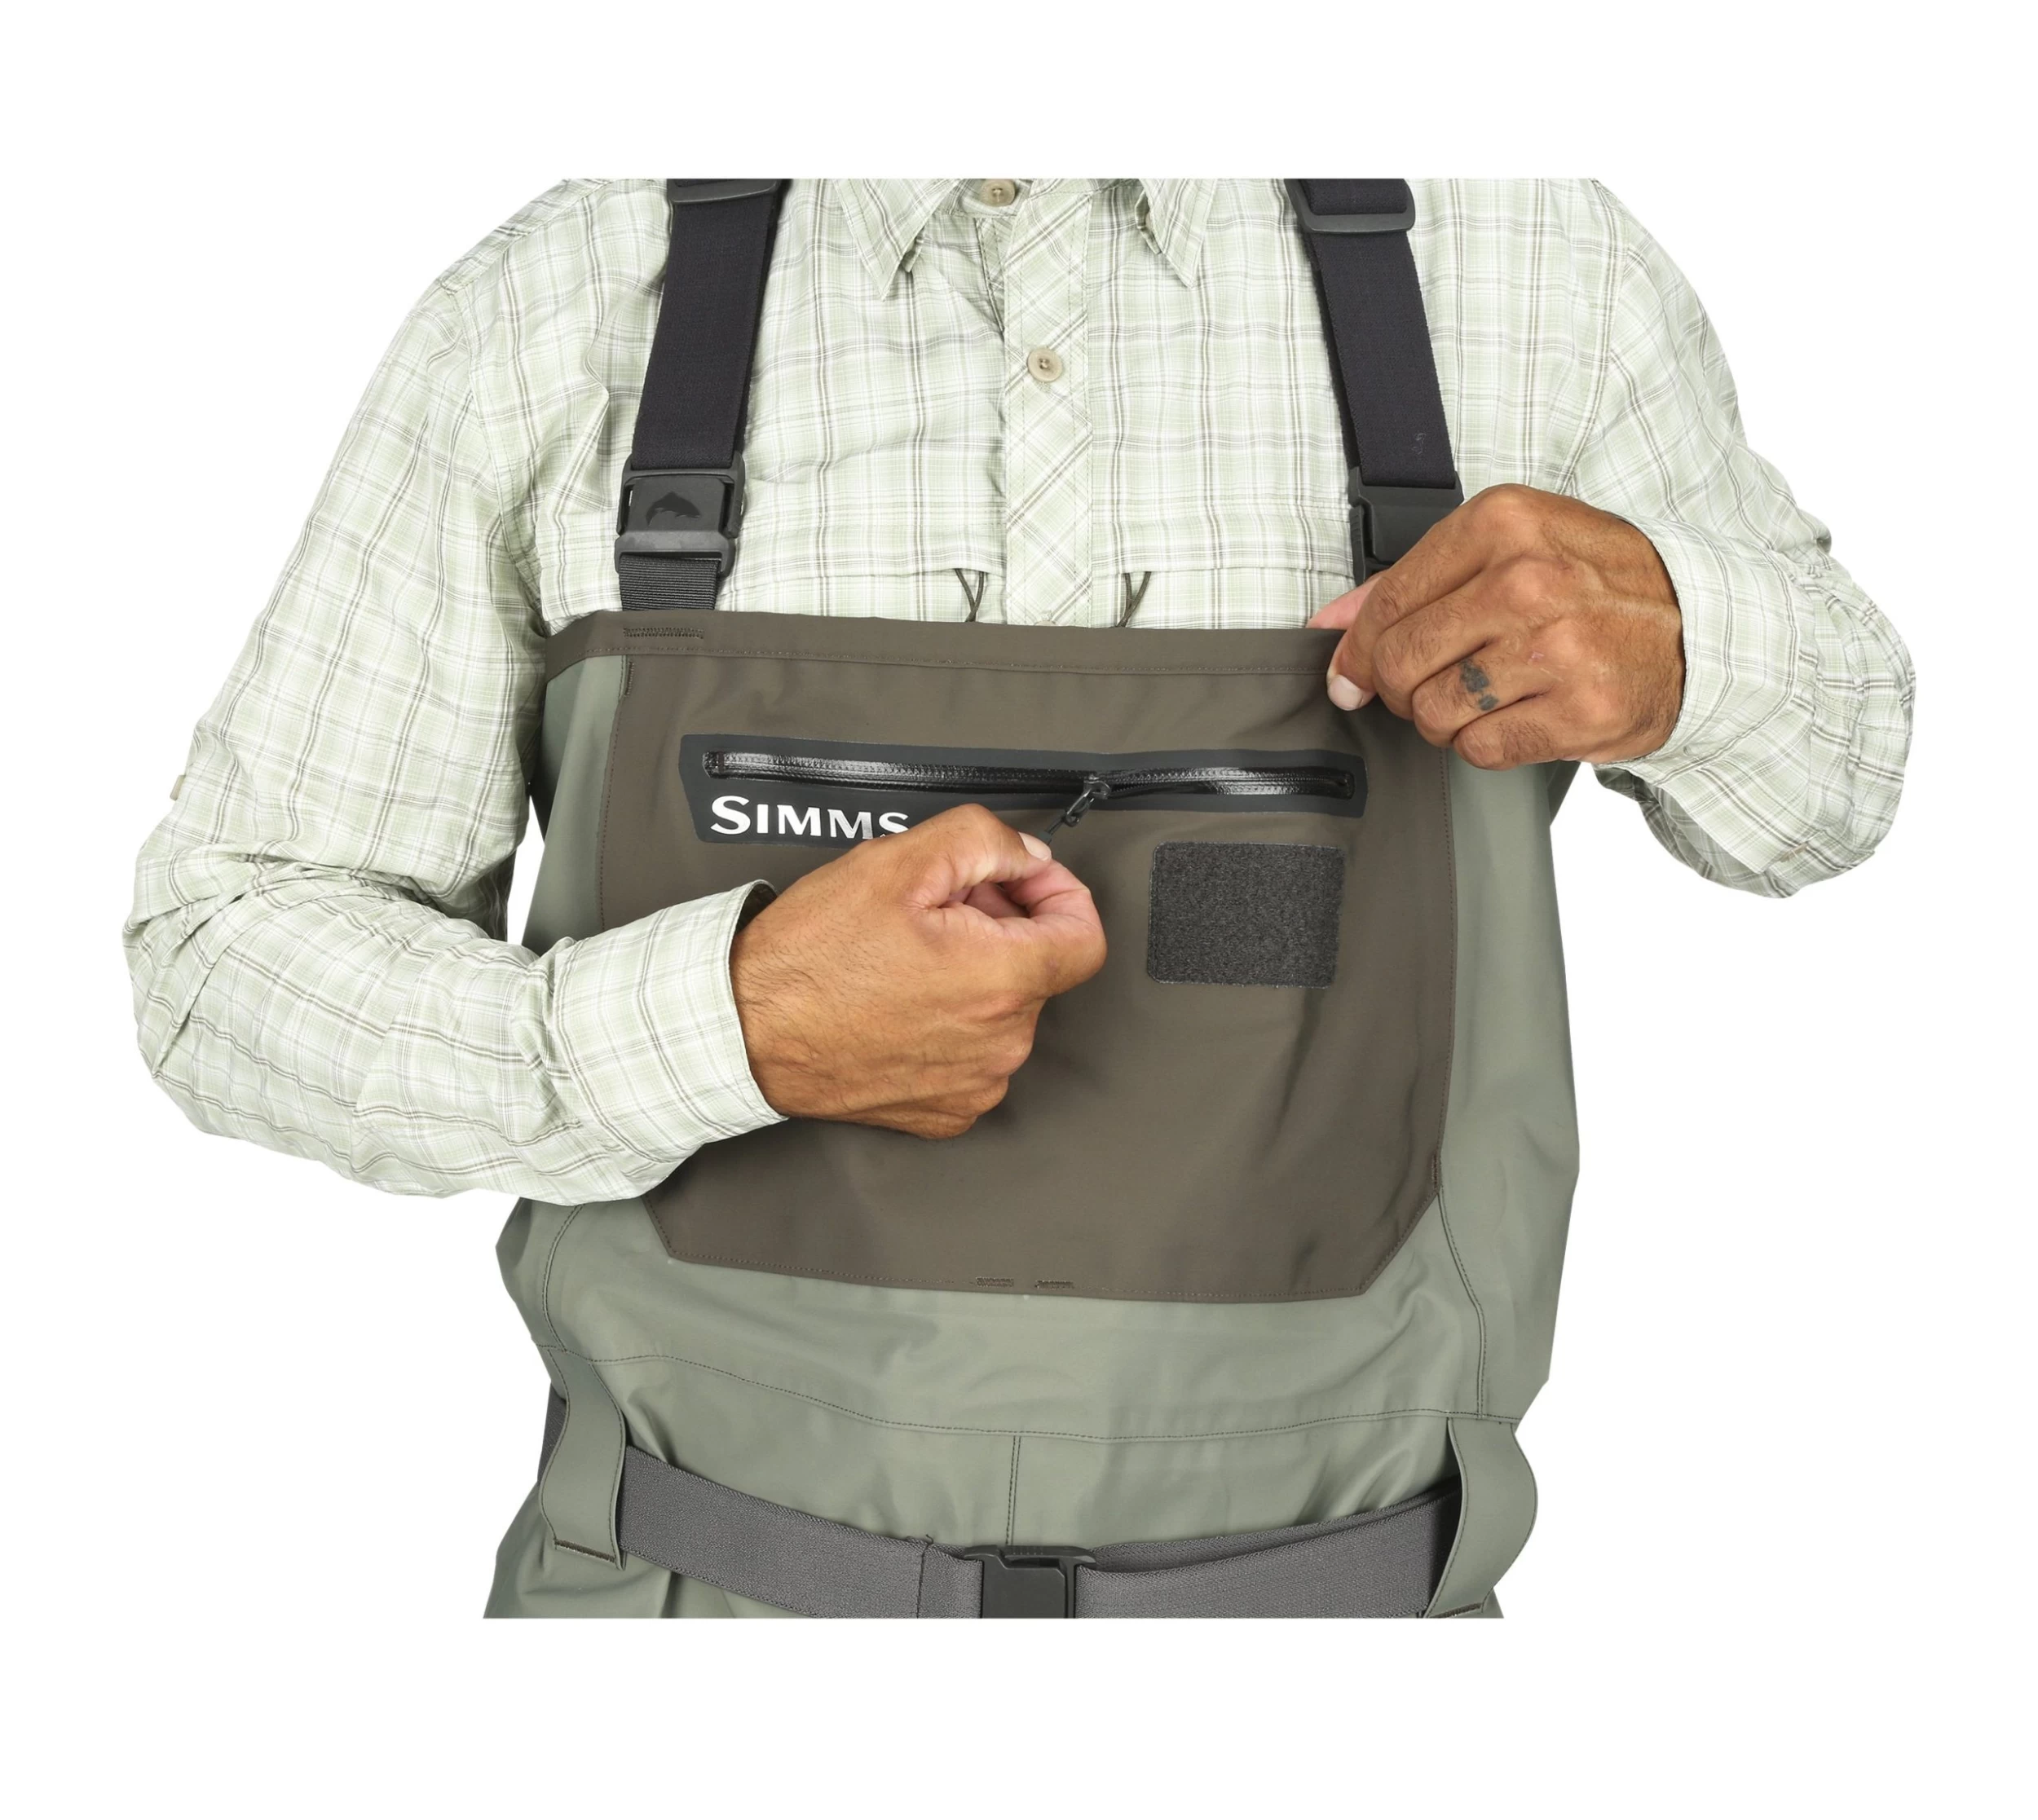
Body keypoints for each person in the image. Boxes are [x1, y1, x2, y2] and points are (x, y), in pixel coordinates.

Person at [126, 179, 1913, 1618]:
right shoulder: (568, 289)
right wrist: (722, 1024)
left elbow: (1821, 797)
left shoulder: (1530, 258)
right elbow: (223, 957)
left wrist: (1689, 646)